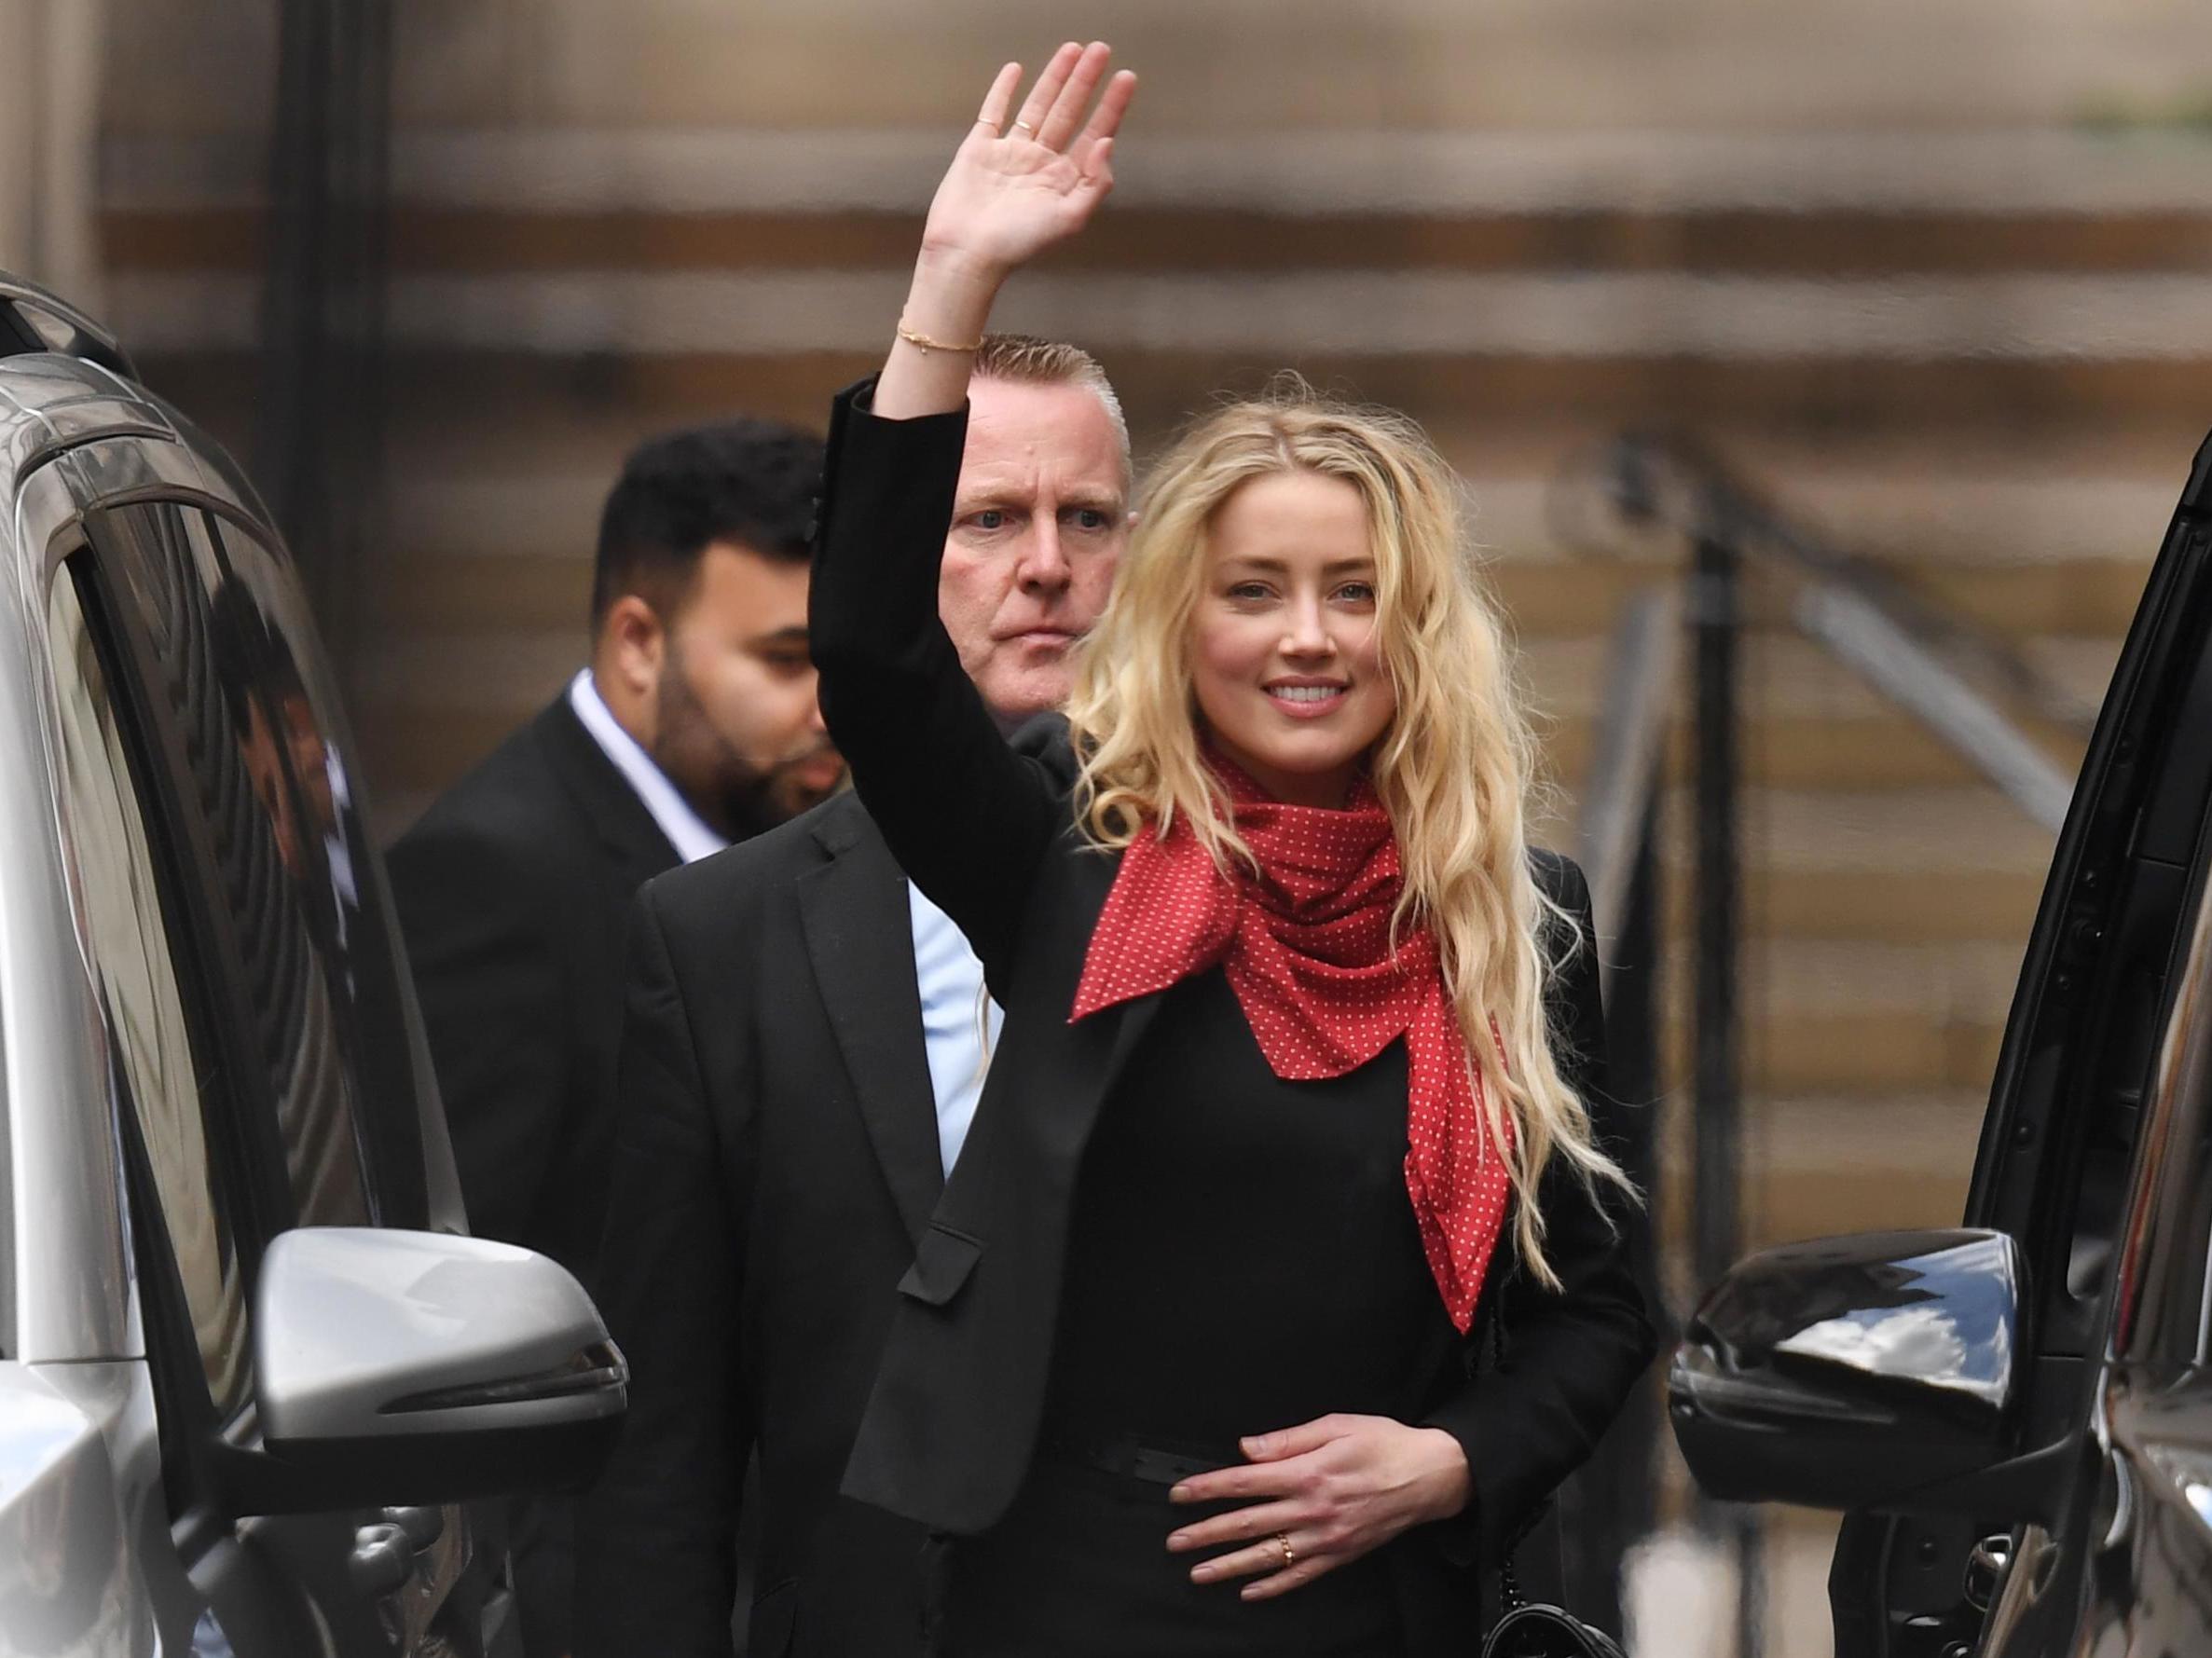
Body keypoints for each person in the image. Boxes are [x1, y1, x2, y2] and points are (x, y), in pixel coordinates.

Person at [807, 43, 1656, 1658]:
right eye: (1253, 590)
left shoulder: (1513, 918)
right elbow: (869, 659)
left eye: (1352, 592)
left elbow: (1602, 1309)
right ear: (1177, 622)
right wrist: (951, 283)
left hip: (1380, 1606)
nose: (1306, 638)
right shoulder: (1075, 855)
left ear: (1418, 633)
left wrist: (1448, 1463)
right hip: (1073, 1594)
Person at [573, 334, 1133, 1658]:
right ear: (889, 555)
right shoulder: (720, 936)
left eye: (1088, 518)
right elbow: (665, 1455)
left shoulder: (1247, 898)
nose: (1044, 563)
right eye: (986, 518)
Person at [386, 415, 836, 1658]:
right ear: (639, 644)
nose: (831, 710)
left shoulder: (774, 867)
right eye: (788, 660)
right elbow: (444, 1310)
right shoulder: (493, 877)